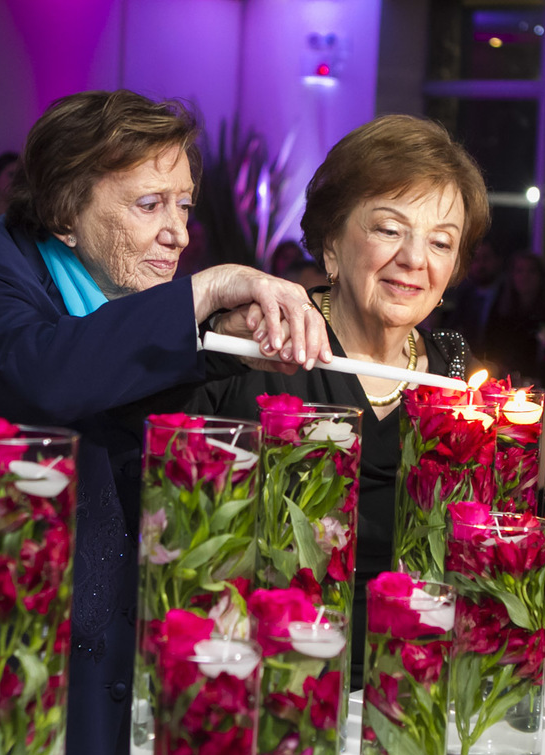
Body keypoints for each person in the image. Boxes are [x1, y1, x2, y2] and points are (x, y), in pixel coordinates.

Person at [0, 89, 331, 755]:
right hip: (0, 656)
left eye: (184, 205)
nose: (181, 234)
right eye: (149, 205)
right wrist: (204, 292)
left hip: (114, 651)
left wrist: (227, 341)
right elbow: (37, 375)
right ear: (66, 210)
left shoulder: (137, 303)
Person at [189, 114, 490, 683]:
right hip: (271, 675)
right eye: (388, 228)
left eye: (441, 242)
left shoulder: (459, 378)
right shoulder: (259, 343)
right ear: (331, 241)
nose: (414, 259)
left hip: (417, 683)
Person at [484, 250, 545, 385]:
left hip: (539, 383)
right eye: (519, 271)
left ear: (541, 277)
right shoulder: (500, 311)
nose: (525, 276)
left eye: (531, 271)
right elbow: (489, 348)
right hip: (503, 380)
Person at [439, 241, 502, 361]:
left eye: (486, 258)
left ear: (497, 260)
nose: (480, 264)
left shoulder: (508, 296)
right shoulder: (461, 295)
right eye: (476, 259)